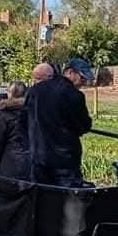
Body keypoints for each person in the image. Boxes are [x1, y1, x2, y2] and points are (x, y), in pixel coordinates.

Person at [24, 57, 94, 187]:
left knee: (41, 199)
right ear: (69, 72)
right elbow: (84, 126)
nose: (83, 83)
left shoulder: (35, 90)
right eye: (82, 78)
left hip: (38, 157)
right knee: (67, 200)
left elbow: (24, 118)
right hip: (64, 161)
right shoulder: (74, 96)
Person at [0, 80, 31, 179]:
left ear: (9, 93)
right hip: (32, 164)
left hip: (10, 164)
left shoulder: (3, 114)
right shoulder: (33, 111)